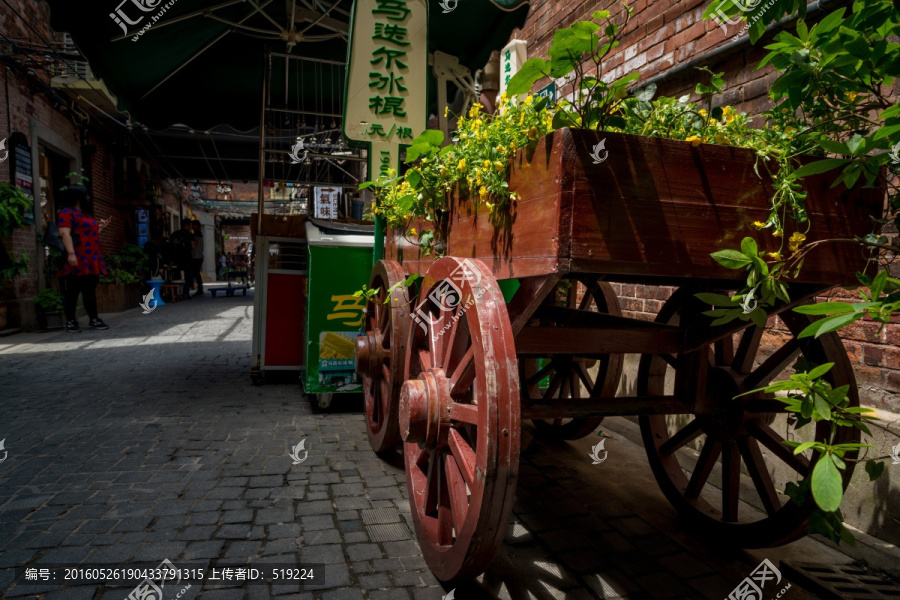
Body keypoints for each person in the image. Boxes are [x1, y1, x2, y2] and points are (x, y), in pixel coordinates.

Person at [57, 185, 110, 332]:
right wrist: (71, 254)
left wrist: (100, 227)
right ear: (78, 197)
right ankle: (71, 321)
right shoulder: (67, 212)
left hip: (90, 257)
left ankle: (94, 319)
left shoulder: (85, 214)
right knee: (72, 290)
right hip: (77, 256)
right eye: (86, 195)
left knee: (89, 290)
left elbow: (87, 234)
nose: (88, 198)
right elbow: (64, 233)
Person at [170, 219, 195, 300]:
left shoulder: (174, 234)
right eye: (189, 225)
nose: (190, 227)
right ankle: (185, 293)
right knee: (188, 276)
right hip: (187, 258)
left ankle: (175, 293)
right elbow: (193, 246)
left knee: (176, 276)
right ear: (186, 225)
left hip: (176, 258)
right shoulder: (189, 234)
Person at [190, 219, 204, 296]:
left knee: (196, 273)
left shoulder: (196, 234)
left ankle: (199, 288)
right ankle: (200, 288)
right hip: (199, 256)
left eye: (192, 225)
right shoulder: (200, 234)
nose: (191, 226)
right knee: (197, 273)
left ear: (196, 226)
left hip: (196, 256)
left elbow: (194, 246)